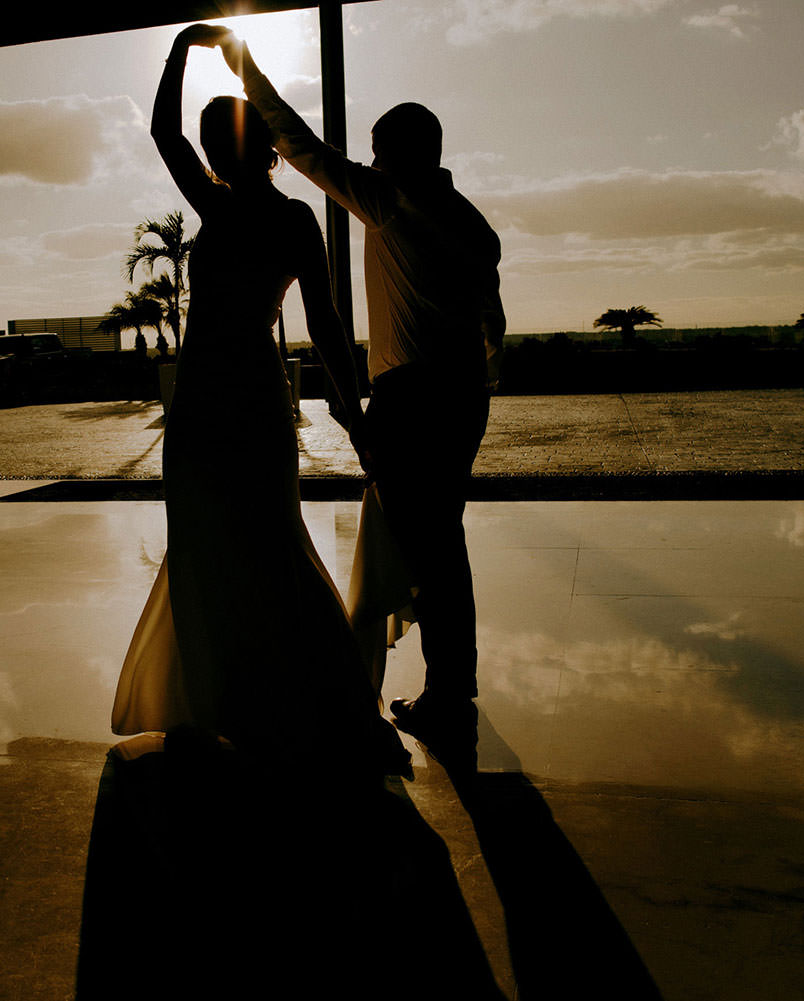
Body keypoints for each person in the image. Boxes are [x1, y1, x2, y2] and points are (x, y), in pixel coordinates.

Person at [110, 24, 409, 782]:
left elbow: (330, 329)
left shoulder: (236, 213)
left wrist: (183, 50)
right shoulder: (278, 218)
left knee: (243, 545)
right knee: (235, 545)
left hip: (221, 396)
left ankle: (258, 700)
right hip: (228, 398)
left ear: (243, 149)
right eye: (210, 143)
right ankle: (246, 700)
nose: (210, 154)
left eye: (219, 140)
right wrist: (351, 409)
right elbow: (331, 331)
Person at [221, 33, 506, 763]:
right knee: (445, 543)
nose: (371, 162)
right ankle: (453, 687)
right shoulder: (476, 225)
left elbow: (300, 143)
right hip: (465, 395)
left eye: (379, 150)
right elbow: (493, 320)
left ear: (405, 152)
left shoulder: (390, 201)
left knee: (431, 550)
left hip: (411, 398)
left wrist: (246, 72)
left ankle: (448, 695)